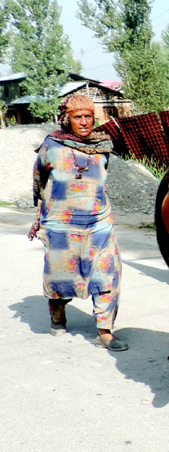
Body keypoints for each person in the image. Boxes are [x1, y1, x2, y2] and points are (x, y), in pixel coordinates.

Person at [29, 94, 127, 351]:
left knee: (108, 274)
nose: (84, 122)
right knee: (60, 277)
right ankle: (58, 315)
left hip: (99, 223)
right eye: (77, 117)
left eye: (88, 117)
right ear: (66, 118)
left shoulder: (104, 145)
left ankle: (104, 332)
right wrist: (45, 212)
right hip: (61, 224)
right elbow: (39, 179)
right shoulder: (52, 145)